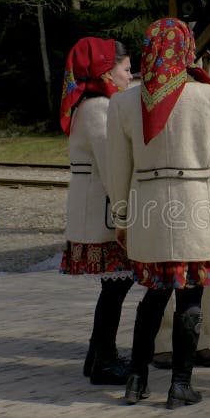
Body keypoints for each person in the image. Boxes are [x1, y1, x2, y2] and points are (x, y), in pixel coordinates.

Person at [106, 18, 210, 409]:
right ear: (188, 49)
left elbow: (116, 169)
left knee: (152, 297)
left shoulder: (123, 102)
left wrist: (122, 219)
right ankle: (180, 386)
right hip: (199, 214)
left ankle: (136, 381)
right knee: (191, 296)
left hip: (149, 216)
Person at [58, 37, 135, 385]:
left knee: (114, 286)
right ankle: (102, 358)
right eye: (125, 69)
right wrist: (127, 215)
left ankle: (97, 354)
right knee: (115, 287)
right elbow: (113, 168)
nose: (130, 77)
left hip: (92, 210)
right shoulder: (101, 108)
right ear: (106, 70)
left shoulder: (85, 106)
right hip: (102, 214)